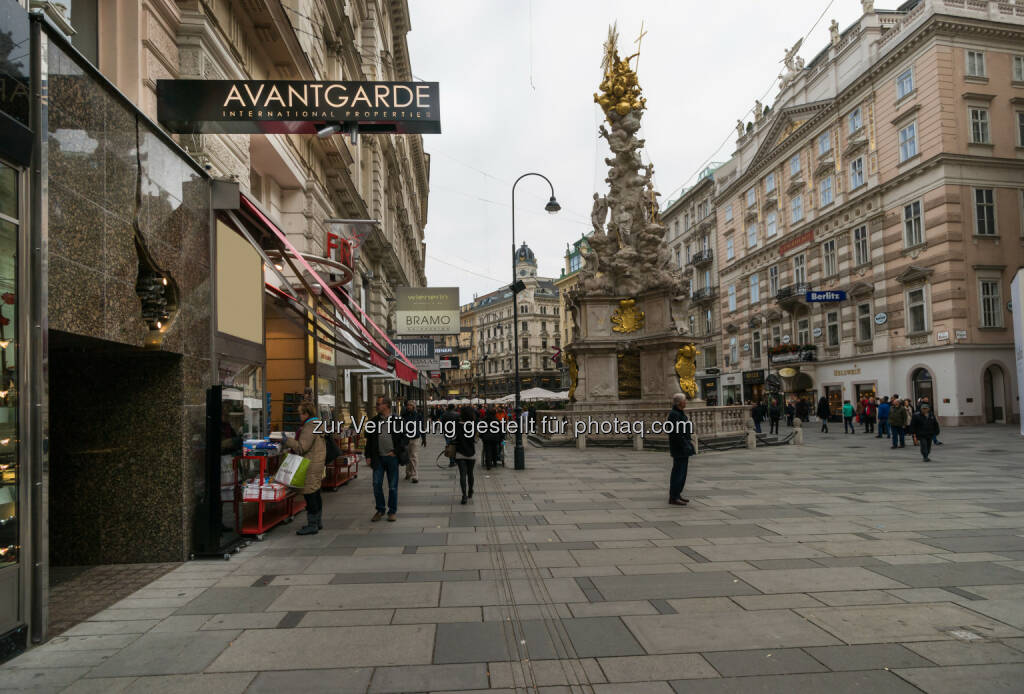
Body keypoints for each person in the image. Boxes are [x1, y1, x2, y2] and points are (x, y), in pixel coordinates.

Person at [284, 401, 327, 535]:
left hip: (310, 464)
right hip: (317, 463)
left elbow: (302, 447)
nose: (299, 416)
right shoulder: (318, 424)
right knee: (315, 492)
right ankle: (317, 522)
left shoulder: (309, 427)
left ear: (306, 413)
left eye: (300, 413)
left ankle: (312, 524)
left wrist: (285, 440)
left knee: (310, 494)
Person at [364, 396, 408, 522]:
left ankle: (392, 511)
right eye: (377, 404)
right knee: (376, 484)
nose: (376, 406)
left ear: (386, 405)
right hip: (378, 458)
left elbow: (405, 438)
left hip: (392, 458)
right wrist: (367, 456)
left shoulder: (397, 420)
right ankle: (380, 509)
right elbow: (370, 441)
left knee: (393, 486)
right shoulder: (374, 421)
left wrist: (396, 451)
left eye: (379, 404)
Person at [667, 393, 693, 506]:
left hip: (684, 447)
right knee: (678, 473)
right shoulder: (674, 415)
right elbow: (675, 433)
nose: (686, 402)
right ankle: (673, 497)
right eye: (684, 401)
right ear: (679, 403)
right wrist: (684, 444)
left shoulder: (680, 413)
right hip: (679, 448)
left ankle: (677, 494)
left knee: (682, 473)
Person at [454, 405, 478, 504]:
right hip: (471, 453)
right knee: (470, 473)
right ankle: (470, 490)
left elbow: (454, 437)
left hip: (460, 452)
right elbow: (476, 440)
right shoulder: (474, 425)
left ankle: (464, 496)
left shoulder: (457, 425)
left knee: (462, 474)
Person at [402, 401, 423, 483]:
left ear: (414, 407)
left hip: (415, 437)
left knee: (413, 456)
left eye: (411, 405)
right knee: (407, 456)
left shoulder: (418, 415)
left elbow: (421, 426)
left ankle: (415, 475)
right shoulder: (404, 415)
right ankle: (408, 473)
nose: (409, 406)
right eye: (408, 405)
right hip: (406, 438)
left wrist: (424, 438)